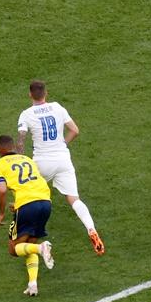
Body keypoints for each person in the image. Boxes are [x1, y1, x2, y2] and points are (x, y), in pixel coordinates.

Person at [15, 80, 105, 255]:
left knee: (26, 190)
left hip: (42, 161)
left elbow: (21, 140)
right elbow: (75, 130)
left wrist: (20, 159)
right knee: (74, 199)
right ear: (45, 93)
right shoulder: (57, 107)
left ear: (30, 95)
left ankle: (25, 231)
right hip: (63, 159)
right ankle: (91, 229)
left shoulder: (26, 114)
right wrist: (63, 144)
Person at [0, 135, 55, 297]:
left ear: (0, 150)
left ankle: (42, 248)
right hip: (45, 202)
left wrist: (1, 212)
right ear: (13, 147)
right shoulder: (28, 159)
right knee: (29, 243)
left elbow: (3, 189)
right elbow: (30, 183)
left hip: (27, 205)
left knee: (14, 249)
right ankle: (33, 285)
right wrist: (17, 204)